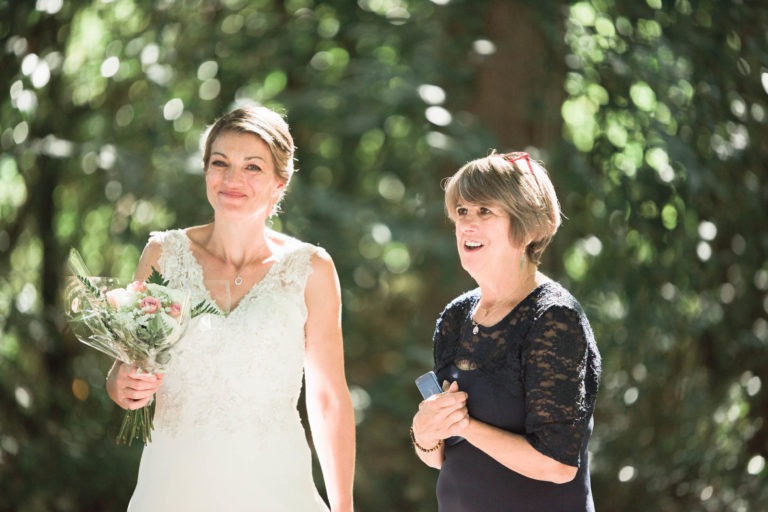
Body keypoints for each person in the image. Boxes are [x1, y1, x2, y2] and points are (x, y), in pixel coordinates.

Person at [106, 105, 356, 511]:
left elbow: (328, 399)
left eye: (252, 167)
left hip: (277, 489)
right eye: (219, 163)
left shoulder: (311, 269)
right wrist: (123, 385)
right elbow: (125, 371)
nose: (232, 179)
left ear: (280, 182)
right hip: (173, 486)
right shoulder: (163, 255)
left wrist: (343, 507)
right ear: (205, 171)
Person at [410, 151, 602, 511]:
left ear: (527, 227)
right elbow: (442, 457)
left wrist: (465, 426)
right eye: (462, 212)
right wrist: (424, 433)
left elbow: (558, 465)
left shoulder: (554, 318)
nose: (467, 224)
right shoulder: (455, 317)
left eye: (485, 211)